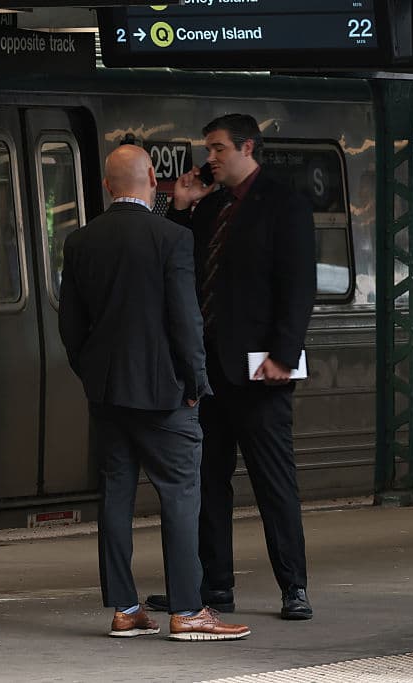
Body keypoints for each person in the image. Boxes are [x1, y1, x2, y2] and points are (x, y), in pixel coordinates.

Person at [58, 145, 250, 641]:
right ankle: (187, 610)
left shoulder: (80, 241)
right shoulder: (171, 238)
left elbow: (71, 327)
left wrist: (93, 376)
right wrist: (196, 382)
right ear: (151, 176)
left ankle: (125, 609)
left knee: (115, 497)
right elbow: (185, 320)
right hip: (166, 395)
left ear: (107, 186)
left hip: (108, 396)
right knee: (181, 496)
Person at [146, 113, 317, 620]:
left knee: (273, 479)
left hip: (261, 370)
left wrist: (284, 355)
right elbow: (174, 263)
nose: (211, 158)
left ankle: (294, 587)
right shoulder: (210, 208)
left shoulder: (284, 204)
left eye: (219, 148)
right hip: (208, 371)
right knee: (207, 479)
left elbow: (298, 286)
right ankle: (214, 586)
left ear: (247, 147)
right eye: (209, 149)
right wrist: (180, 206)